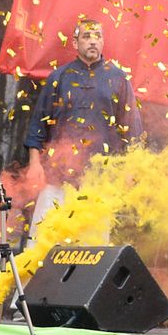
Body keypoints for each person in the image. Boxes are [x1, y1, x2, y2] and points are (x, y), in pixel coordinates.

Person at [23, 18, 143, 232]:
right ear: (75, 42)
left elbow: (132, 129)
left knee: (91, 248)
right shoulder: (59, 77)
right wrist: (35, 164)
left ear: (103, 41)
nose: (93, 41)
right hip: (57, 178)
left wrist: (131, 169)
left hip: (98, 179)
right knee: (44, 242)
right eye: (87, 36)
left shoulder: (119, 79)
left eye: (98, 36)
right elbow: (38, 125)